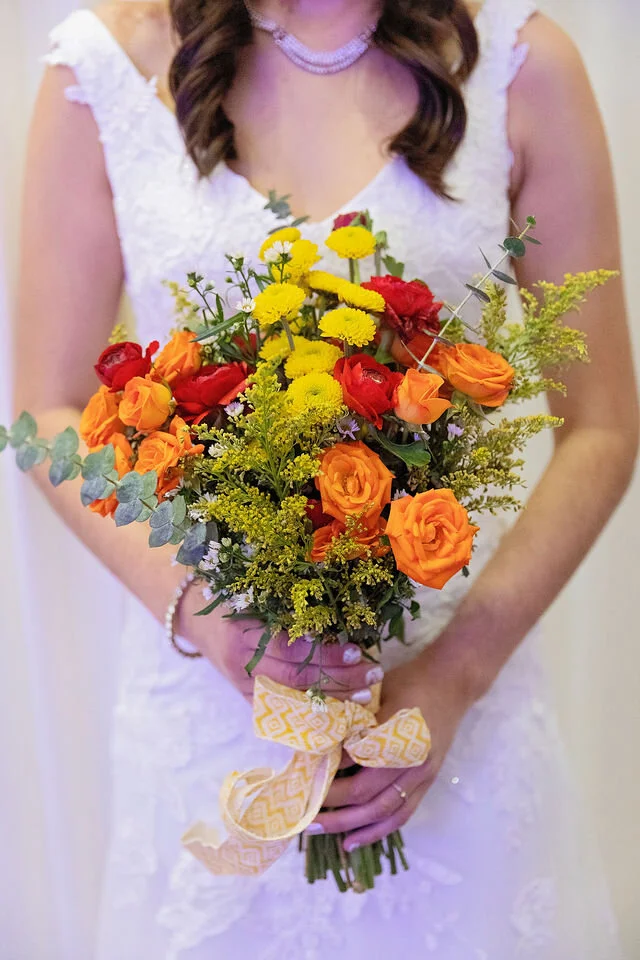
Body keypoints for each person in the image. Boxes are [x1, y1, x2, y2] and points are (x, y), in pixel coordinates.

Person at [14, 0, 637, 956]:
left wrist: (454, 676)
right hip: (211, 713)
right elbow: (47, 410)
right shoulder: (104, 68)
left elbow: (602, 421)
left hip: (452, 705)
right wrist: (207, 618)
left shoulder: (522, 64)